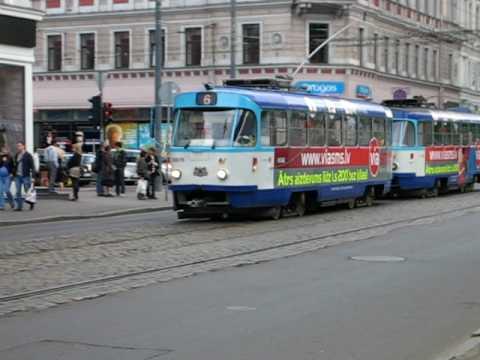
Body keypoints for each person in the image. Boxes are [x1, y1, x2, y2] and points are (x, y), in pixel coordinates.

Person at [13, 141, 36, 211]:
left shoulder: (28, 155)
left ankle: (31, 203)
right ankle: (19, 207)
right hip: (17, 176)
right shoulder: (17, 155)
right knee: (18, 192)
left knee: (27, 191)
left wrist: (33, 177)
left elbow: (33, 167)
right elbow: (15, 165)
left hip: (25, 176)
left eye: (20, 146)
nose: (18, 147)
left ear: (24, 146)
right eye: (18, 146)